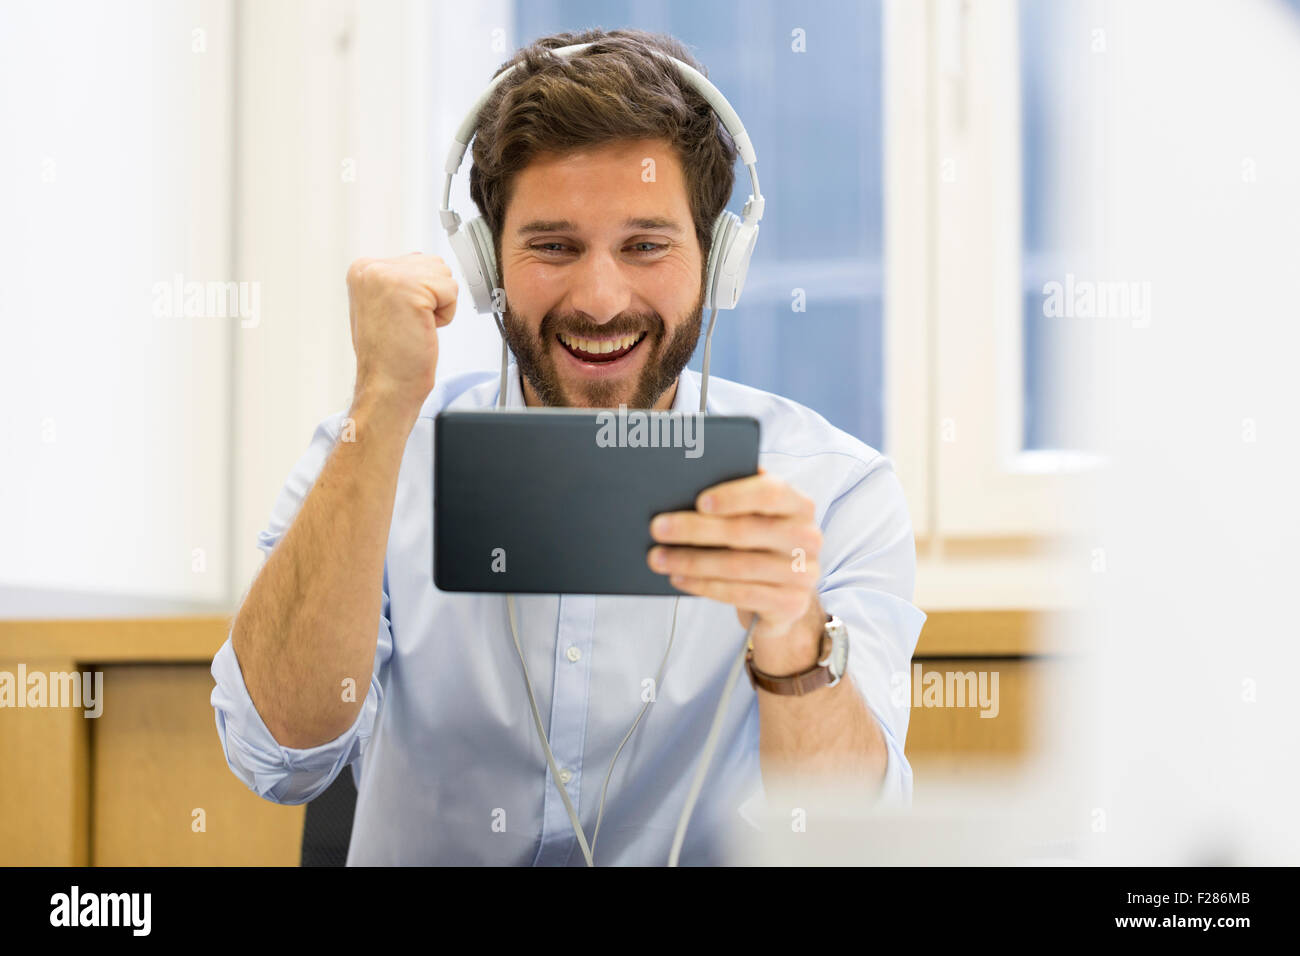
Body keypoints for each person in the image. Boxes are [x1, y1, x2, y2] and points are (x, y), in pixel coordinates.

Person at [210, 27, 925, 866]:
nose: (598, 298)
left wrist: (794, 638)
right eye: (553, 246)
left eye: (646, 245)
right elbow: (276, 754)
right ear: (486, 264)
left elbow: (850, 845)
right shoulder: (376, 455)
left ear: (719, 262)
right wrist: (380, 400)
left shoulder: (836, 492)